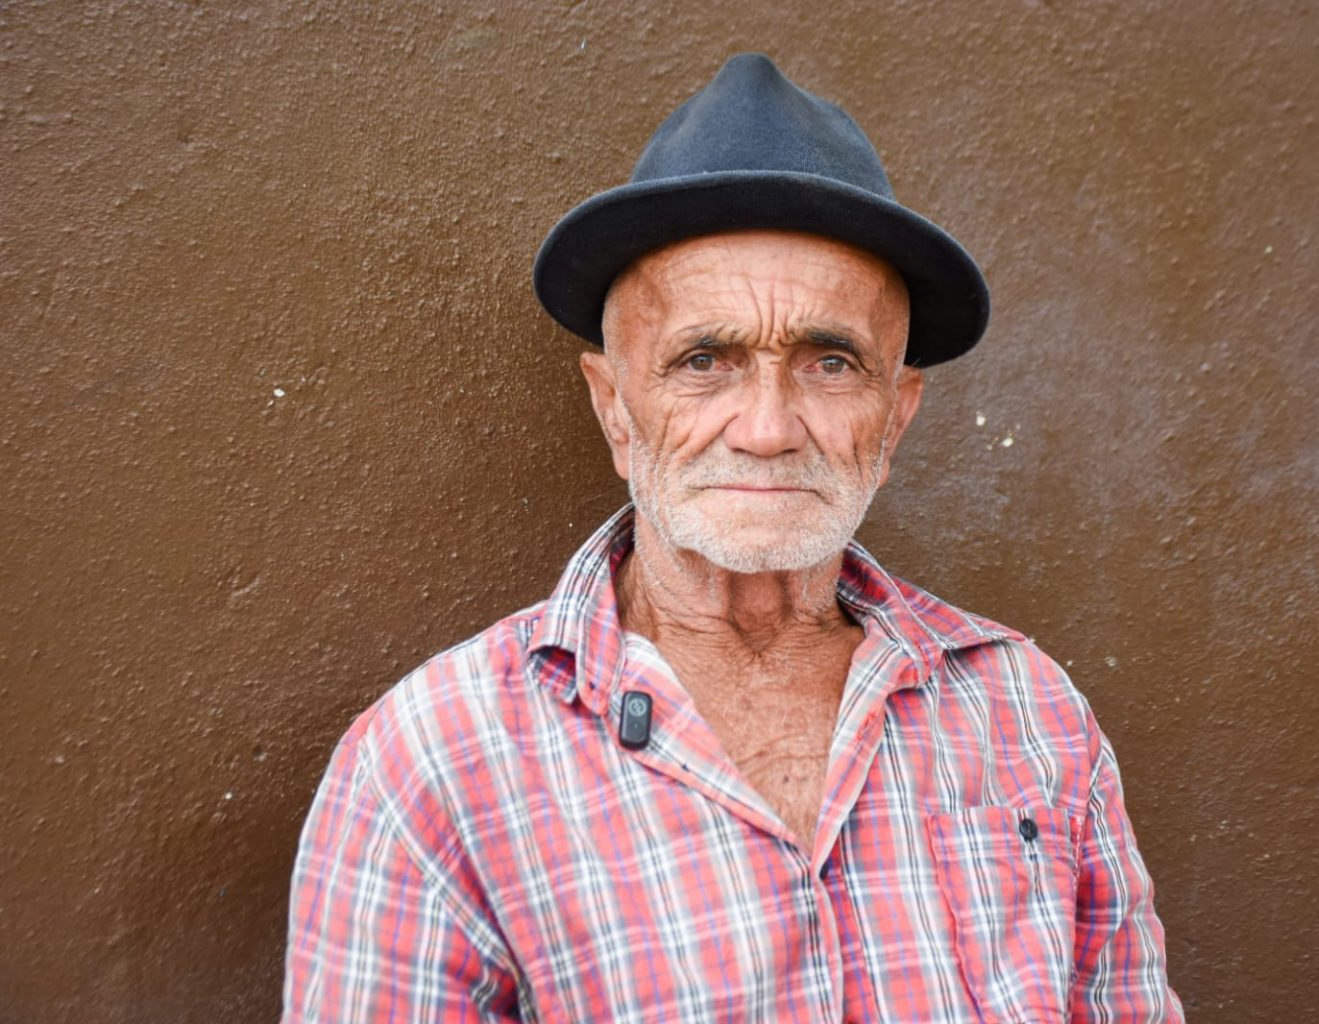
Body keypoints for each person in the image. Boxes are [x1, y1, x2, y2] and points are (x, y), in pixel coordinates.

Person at [284, 53, 1182, 1023]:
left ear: (894, 418)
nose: (766, 428)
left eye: (830, 362)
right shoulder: (432, 766)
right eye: (704, 359)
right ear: (615, 409)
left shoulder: (1027, 712)